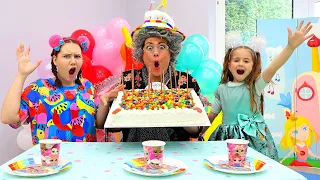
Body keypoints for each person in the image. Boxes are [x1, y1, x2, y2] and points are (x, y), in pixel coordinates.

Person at [98, 9, 212, 142]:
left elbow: (196, 131)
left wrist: (179, 106)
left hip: (176, 153)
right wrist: (104, 101)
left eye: (162, 47)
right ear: (142, 53)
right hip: (134, 151)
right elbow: (106, 125)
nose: (156, 53)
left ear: (171, 52)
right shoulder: (128, 80)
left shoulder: (186, 83)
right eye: (149, 47)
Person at [206, 20, 313, 161]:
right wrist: (197, 133)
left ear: (253, 65)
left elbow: (274, 66)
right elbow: (211, 116)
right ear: (229, 63)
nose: (241, 63)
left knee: (255, 167)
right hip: (227, 139)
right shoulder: (221, 89)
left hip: (253, 138)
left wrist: (290, 47)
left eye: (246, 61)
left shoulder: (255, 85)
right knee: (224, 167)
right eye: (236, 60)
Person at [1, 35, 121, 144]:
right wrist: (21, 75)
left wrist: (104, 100)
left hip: (84, 160)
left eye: (77, 56)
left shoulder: (87, 86)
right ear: (55, 60)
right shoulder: (38, 89)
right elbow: (7, 117)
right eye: (66, 56)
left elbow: (98, 123)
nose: (73, 61)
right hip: (51, 163)